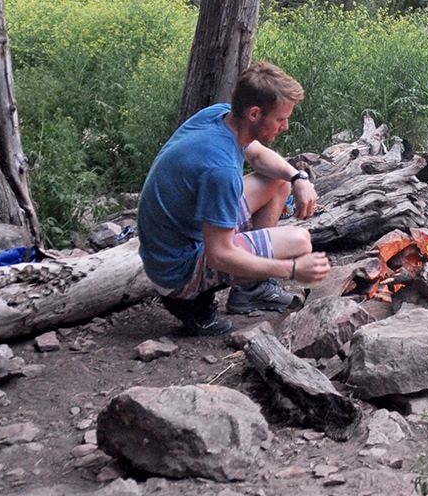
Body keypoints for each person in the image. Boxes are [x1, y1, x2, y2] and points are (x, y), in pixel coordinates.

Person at [138, 61, 332, 335]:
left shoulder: (220, 116)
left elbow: (259, 156)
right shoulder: (221, 170)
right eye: (280, 118)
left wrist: (298, 178)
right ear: (255, 113)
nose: (285, 126)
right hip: (175, 272)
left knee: (279, 181)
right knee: (299, 241)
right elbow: (220, 255)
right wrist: (290, 269)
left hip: (174, 239)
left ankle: (251, 289)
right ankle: (196, 306)